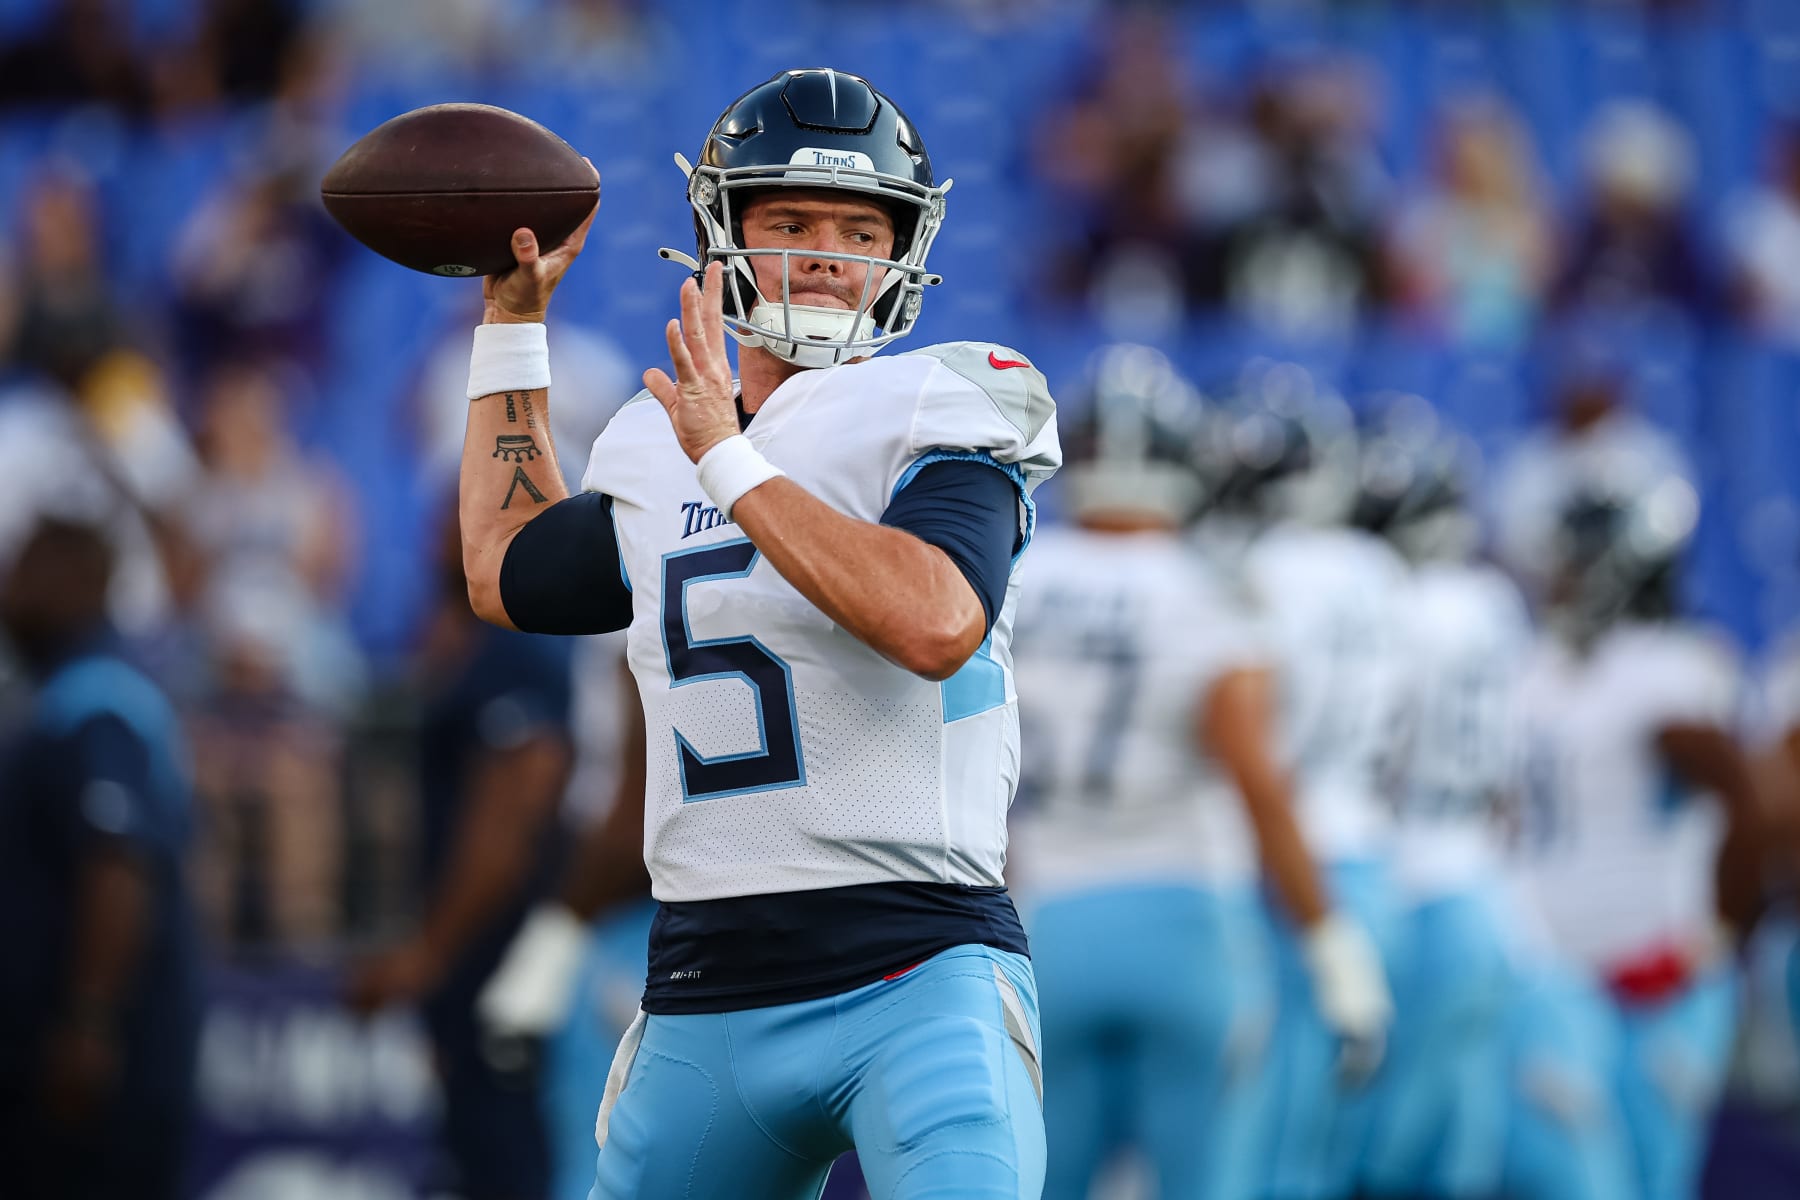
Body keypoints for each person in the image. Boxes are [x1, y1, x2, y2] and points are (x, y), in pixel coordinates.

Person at [450, 68, 1060, 1199]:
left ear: (904, 248)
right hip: (704, 984)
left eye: (858, 226)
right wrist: (512, 329)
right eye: (790, 221)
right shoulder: (646, 439)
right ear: (722, 239)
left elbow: (934, 620)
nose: (828, 252)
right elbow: (503, 569)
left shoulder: (945, 397)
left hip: (917, 965)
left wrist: (730, 459)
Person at [1008, 345, 1388, 1200]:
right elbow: (1259, 782)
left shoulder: (1013, 578)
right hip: (1188, 926)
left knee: (1044, 1180)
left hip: (1042, 924)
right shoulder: (1207, 589)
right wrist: (1333, 947)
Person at [1507, 473, 1759, 1200]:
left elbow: (1753, 804)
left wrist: (1710, 937)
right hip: (1555, 969)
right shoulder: (1543, 666)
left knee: (1647, 1183)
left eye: (1574, 563)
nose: (1557, 578)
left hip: (1655, 976)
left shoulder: (1669, 671)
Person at [1195, 362, 1404, 1199]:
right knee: (1317, 1151)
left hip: (1275, 863)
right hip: (1367, 856)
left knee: (1248, 1148)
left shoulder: (1252, 568)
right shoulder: (1377, 570)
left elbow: (1238, 742)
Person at [347, 503, 577, 1200]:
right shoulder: (472, 648)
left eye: (468, 509)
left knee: (505, 1153)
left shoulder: (518, 648)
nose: (441, 528)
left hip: (500, 954)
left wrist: (430, 951)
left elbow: (507, 830)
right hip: (477, 951)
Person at [1348, 396, 1529, 1199]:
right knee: (1462, 1142)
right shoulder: (1494, 601)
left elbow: (1374, 751)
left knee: (1379, 1147)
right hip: (1486, 886)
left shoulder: (1393, 602)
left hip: (1407, 878)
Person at [0, 516, 201, 1200]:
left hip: (101, 1063)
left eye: (27, 568)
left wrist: (88, 1022)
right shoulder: (62, 693)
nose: (10, 587)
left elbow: (114, 865)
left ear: (74, 582)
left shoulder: (97, 701)